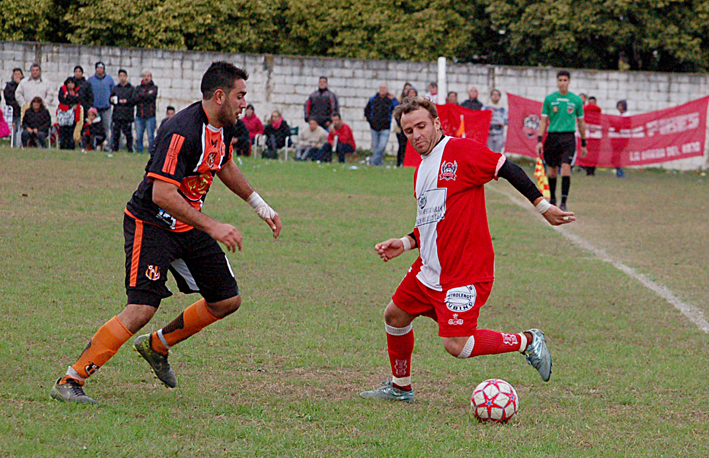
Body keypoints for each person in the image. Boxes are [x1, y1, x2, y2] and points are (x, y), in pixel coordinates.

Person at [50, 61, 282, 405]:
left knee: (226, 300)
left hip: (188, 222)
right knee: (142, 308)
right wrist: (214, 227)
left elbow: (224, 162)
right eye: (240, 95)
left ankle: (156, 346)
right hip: (152, 222)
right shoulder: (181, 130)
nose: (244, 102)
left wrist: (258, 204)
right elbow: (161, 194)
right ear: (219, 96)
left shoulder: (225, 125)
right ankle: (70, 379)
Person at [359, 97, 574, 404]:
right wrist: (405, 243)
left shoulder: (461, 151)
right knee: (395, 316)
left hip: (464, 273)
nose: (416, 135)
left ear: (436, 122)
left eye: (421, 126)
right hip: (429, 270)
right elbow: (433, 222)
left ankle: (527, 341)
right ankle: (400, 387)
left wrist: (542, 206)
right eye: (408, 131)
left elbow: (507, 168)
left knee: (457, 345)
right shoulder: (421, 170)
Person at [536, 70, 586, 211]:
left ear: (569, 82)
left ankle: (563, 202)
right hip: (552, 137)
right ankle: (553, 199)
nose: (562, 83)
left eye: (565, 80)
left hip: (568, 137)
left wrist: (583, 141)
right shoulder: (550, 99)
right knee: (552, 172)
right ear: (557, 82)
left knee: (565, 169)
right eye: (560, 80)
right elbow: (543, 121)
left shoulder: (576, 100)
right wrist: (539, 140)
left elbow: (581, 122)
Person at [364, 84, 399, 166]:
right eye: (381, 88)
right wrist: (370, 121)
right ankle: (379, 164)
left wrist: (393, 99)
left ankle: (372, 162)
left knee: (382, 146)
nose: (382, 90)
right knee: (376, 147)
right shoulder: (373, 99)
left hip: (385, 127)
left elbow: (397, 108)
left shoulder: (390, 100)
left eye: (384, 88)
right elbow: (367, 111)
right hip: (374, 127)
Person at [88, 62, 115, 149]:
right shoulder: (91, 80)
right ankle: (93, 145)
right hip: (95, 109)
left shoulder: (109, 79)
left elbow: (113, 92)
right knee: (93, 128)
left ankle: (107, 145)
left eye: (101, 68)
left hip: (106, 108)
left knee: (107, 127)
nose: (99, 70)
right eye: (98, 68)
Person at [110, 69, 136, 152]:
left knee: (128, 133)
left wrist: (126, 101)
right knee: (116, 133)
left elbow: (134, 100)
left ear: (126, 77)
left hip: (127, 114)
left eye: (123, 76)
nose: (122, 78)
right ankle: (115, 148)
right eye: (120, 76)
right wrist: (112, 100)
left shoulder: (131, 88)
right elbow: (111, 99)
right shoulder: (116, 88)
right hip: (117, 114)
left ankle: (130, 149)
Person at [134, 70, 158, 153]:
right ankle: (140, 151)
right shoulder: (138, 88)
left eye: (148, 76)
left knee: (150, 136)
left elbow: (152, 97)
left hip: (150, 116)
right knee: (138, 136)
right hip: (139, 115)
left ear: (151, 77)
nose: (146, 78)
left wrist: (142, 95)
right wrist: (147, 94)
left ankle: (151, 152)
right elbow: (135, 98)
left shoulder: (154, 88)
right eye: (145, 76)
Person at [57, 77, 81, 150]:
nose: (70, 85)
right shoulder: (62, 89)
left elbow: (78, 99)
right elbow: (62, 99)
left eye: (72, 83)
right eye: (69, 83)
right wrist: (71, 99)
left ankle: (71, 147)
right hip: (63, 113)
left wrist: (68, 97)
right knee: (63, 133)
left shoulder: (77, 91)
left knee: (71, 132)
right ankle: (63, 147)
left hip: (73, 114)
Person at [4, 68, 24, 147]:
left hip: (22, 110)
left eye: (19, 74)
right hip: (13, 111)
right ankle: (14, 143)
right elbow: (8, 97)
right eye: (15, 74)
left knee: (20, 127)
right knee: (14, 128)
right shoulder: (9, 86)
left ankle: (20, 144)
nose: (17, 76)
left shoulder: (25, 85)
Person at [582, 96, 602, 176]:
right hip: (587, 135)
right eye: (590, 103)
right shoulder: (585, 111)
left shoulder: (597, 111)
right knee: (587, 152)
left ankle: (592, 170)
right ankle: (586, 168)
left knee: (594, 154)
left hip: (595, 136)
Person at [394, 83, 411, 167]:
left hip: (410, 127)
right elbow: (396, 114)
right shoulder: (399, 101)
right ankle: (399, 162)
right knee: (401, 145)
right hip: (400, 127)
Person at [613, 100, 629, 178]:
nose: (619, 108)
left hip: (623, 138)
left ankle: (620, 172)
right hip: (616, 137)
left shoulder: (627, 115)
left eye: (621, 106)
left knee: (617, 155)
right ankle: (619, 171)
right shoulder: (617, 115)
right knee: (615, 156)